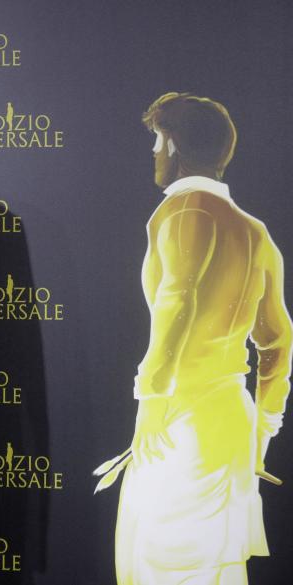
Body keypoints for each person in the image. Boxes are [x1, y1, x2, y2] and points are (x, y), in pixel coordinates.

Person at [97, 92, 292, 584]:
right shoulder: (256, 233)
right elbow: (278, 340)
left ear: (172, 143)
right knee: (215, 566)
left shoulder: (184, 212)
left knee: (157, 562)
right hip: (229, 421)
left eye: (156, 141)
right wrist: (263, 429)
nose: (153, 153)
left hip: (180, 421)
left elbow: (177, 301)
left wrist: (151, 400)